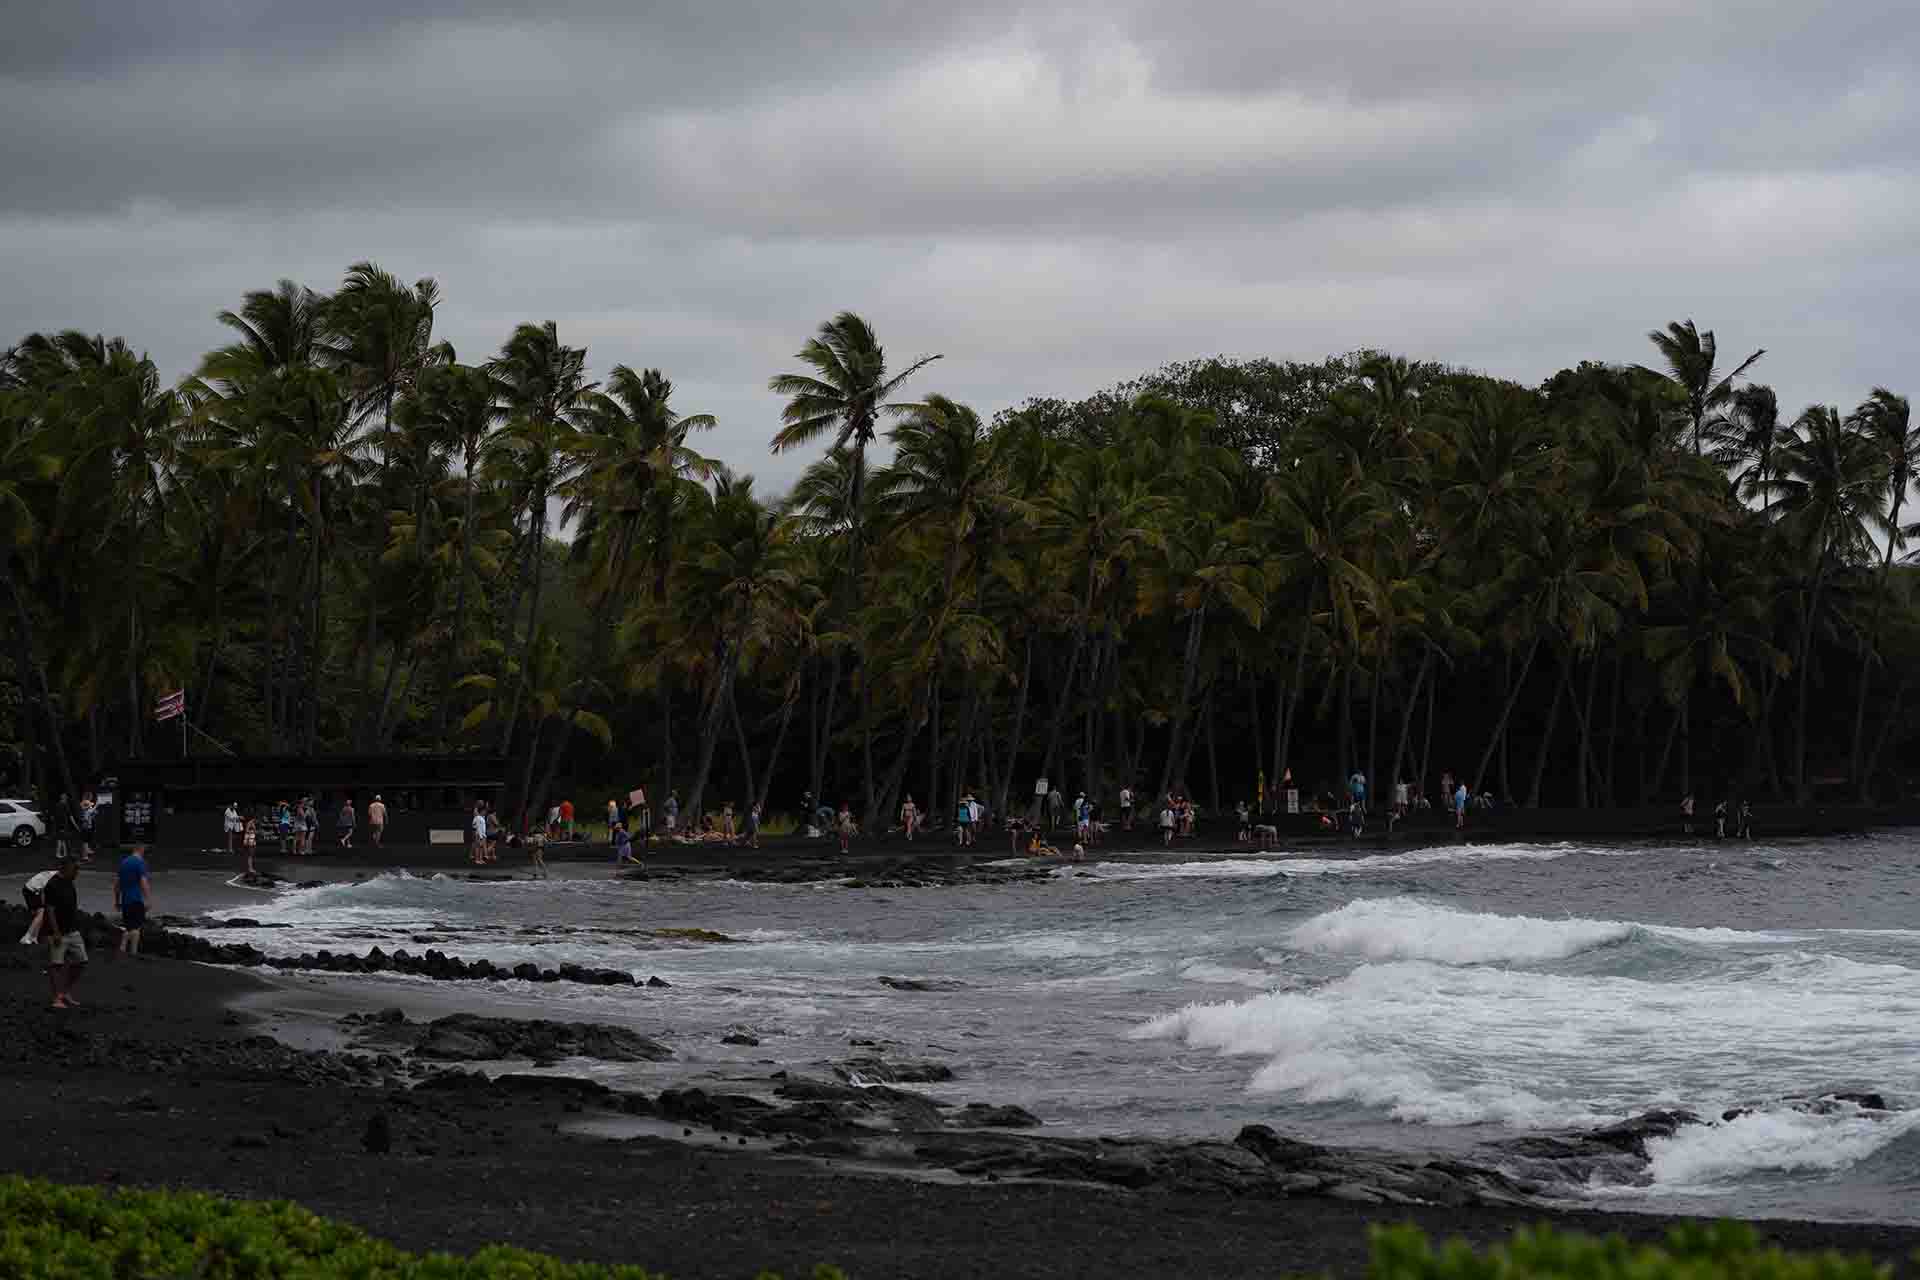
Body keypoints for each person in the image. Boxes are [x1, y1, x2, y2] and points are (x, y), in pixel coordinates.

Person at [44, 856, 86, 1010]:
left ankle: (65, 991)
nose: (77, 873)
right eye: (75, 869)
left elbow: (71, 906)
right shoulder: (52, 885)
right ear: (65, 868)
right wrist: (55, 932)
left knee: (81, 961)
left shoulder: (70, 882)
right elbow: (50, 910)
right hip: (57, 931)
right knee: (56, 964)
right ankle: (57, 998)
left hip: (72, 929)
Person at [115, 844, 151, 958]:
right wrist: (148, 899)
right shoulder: (140, 863)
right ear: (141, 849)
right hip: (136, 900)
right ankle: (133, 953)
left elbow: (117, 885)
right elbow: (143, 882)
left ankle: (122, 950)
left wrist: (117, 901)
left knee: (128, 927)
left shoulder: (123, 862)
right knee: (136, 928)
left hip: (125, 901)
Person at [20, 866, 55, 945]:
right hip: (31, 891)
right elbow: (44, 891)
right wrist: (44, 904)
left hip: (31, 889)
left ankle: (34, 937)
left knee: (40, 914)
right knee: (41, 913)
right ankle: (26, 937)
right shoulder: (54, 878)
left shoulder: (54, 874)